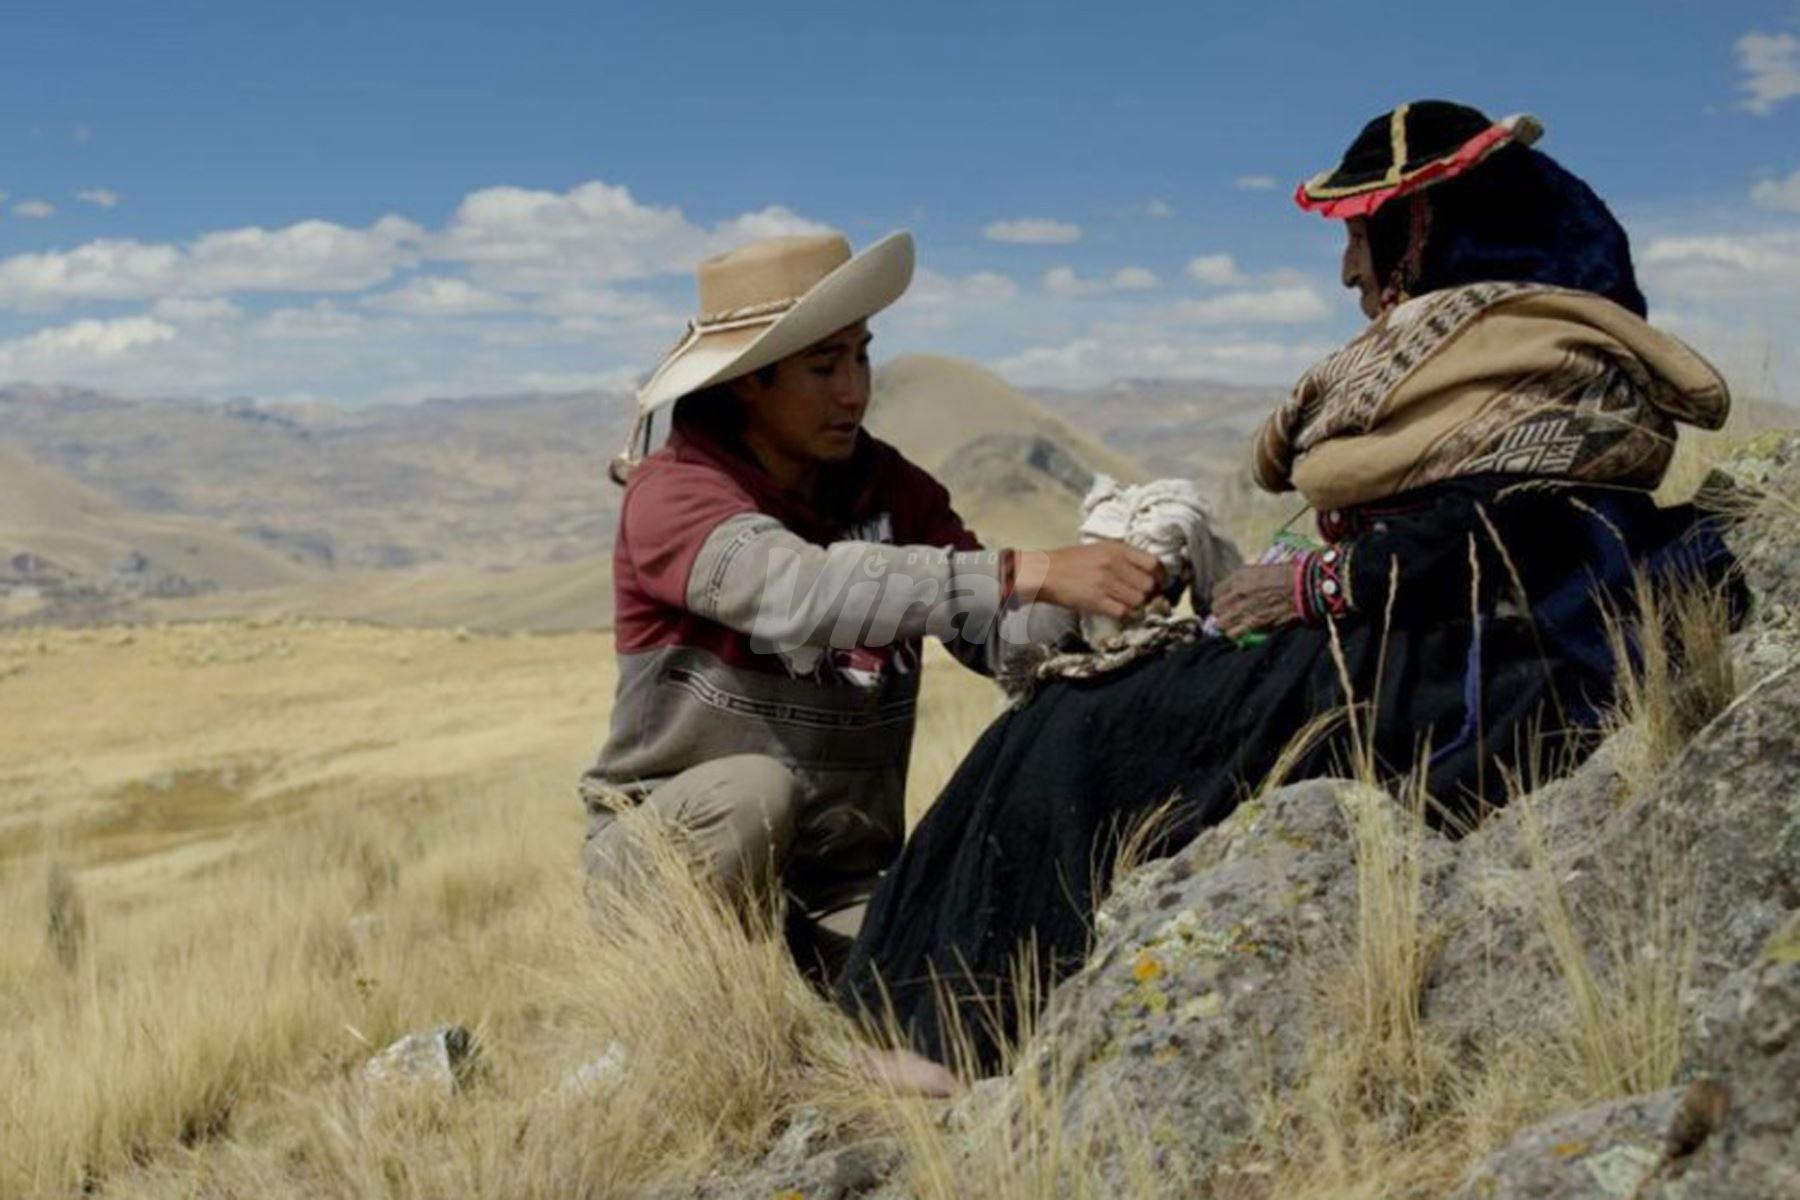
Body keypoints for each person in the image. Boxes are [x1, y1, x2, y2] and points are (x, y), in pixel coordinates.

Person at [835, 101, 1744, 1073]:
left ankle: (959, 1037)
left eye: (1361, 236)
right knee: (1062, 715)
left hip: (1461, 670)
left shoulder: (1533, 353)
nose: (1350, 270)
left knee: (1084, 732)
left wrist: (1315, 584)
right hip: (1410, 637)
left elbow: (1506, 535)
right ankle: (913, 1024)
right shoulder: (1496, 345)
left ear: (1423, 227)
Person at [578, 231, 1182, 1071]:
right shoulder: (675, 490)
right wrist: (1029, 570)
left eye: (862, 356)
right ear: (751, 380)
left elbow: (996, 635)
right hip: (672, 865)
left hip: (840, 883)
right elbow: (800, 592)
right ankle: (711, 1035)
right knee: (752, 795)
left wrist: (1107, 601)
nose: (855, 389)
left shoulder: (891, 487)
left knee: (970, 1016)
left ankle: (820, 1034)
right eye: (824, 366)